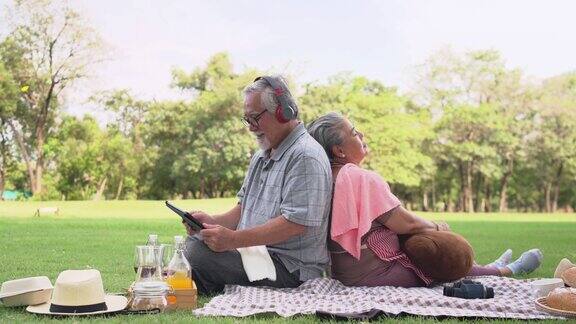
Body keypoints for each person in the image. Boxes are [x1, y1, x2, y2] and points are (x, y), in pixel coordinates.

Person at [307, 112, 542, 287]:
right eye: (354, 132)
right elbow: (405, 223)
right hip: (380, 271)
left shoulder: (324, 178)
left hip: (344, 273)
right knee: (438, 262)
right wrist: (437, 226)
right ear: (339, 151)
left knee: (431, 250)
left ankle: (492, 267)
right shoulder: (360, 178)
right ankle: (506, 271)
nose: (361, 134)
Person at [181, 76, 332, 295]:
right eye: (247, 119)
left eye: (255, 118)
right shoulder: (261, 156)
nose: (251, 128)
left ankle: (207, 282)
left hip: (289, 270)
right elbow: (244, 208)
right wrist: (211, 222)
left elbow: (295, 224)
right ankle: (207, 281)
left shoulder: (306, 156)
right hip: (256, 255)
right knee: (193, 244)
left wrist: (232, 240)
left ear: (284, 112)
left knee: (195, 252)